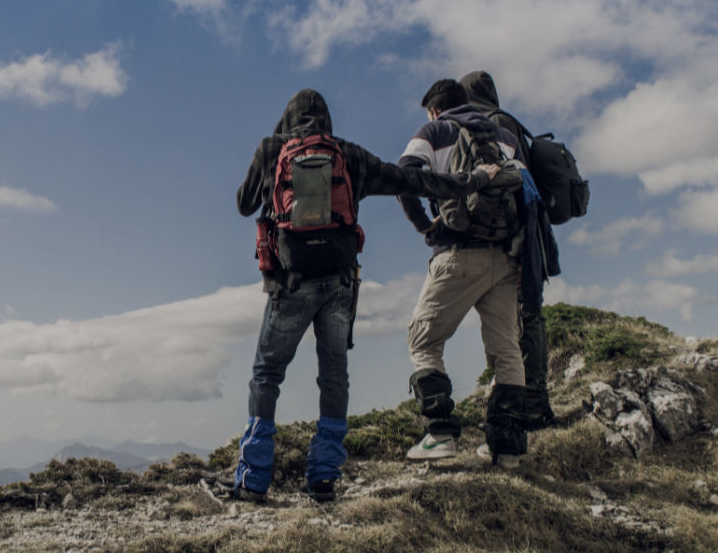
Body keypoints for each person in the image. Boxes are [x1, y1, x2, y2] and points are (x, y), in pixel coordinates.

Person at [232, 88, 497, 503]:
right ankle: (323, 477)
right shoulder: (348, 154)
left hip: (290, 283)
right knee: (333, 375)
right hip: (339, 284)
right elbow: (412, 179)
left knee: (267, 373)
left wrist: (272, 164)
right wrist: (474, 180)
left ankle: (253, 478)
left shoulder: (272, 149)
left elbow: (244, 204)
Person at [396, 78, 529, 468]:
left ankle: (440, 435)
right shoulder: (505, 137)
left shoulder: (434, 131)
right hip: (505, 258)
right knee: (507, 349)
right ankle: (507, 450)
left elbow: (405, 175)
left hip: (457, 253)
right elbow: (527, 193)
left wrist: (424, 225)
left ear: (435, 110)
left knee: (423, 340)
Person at [460, 70, 562, 431]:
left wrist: (516, 248)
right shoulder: (508, 121)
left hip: (520, 238)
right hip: (528, 235)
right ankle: (525, 402)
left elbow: (514, 188)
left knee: (524, 316)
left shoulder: (493, 125)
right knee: (521, 316)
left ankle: (532, 405)